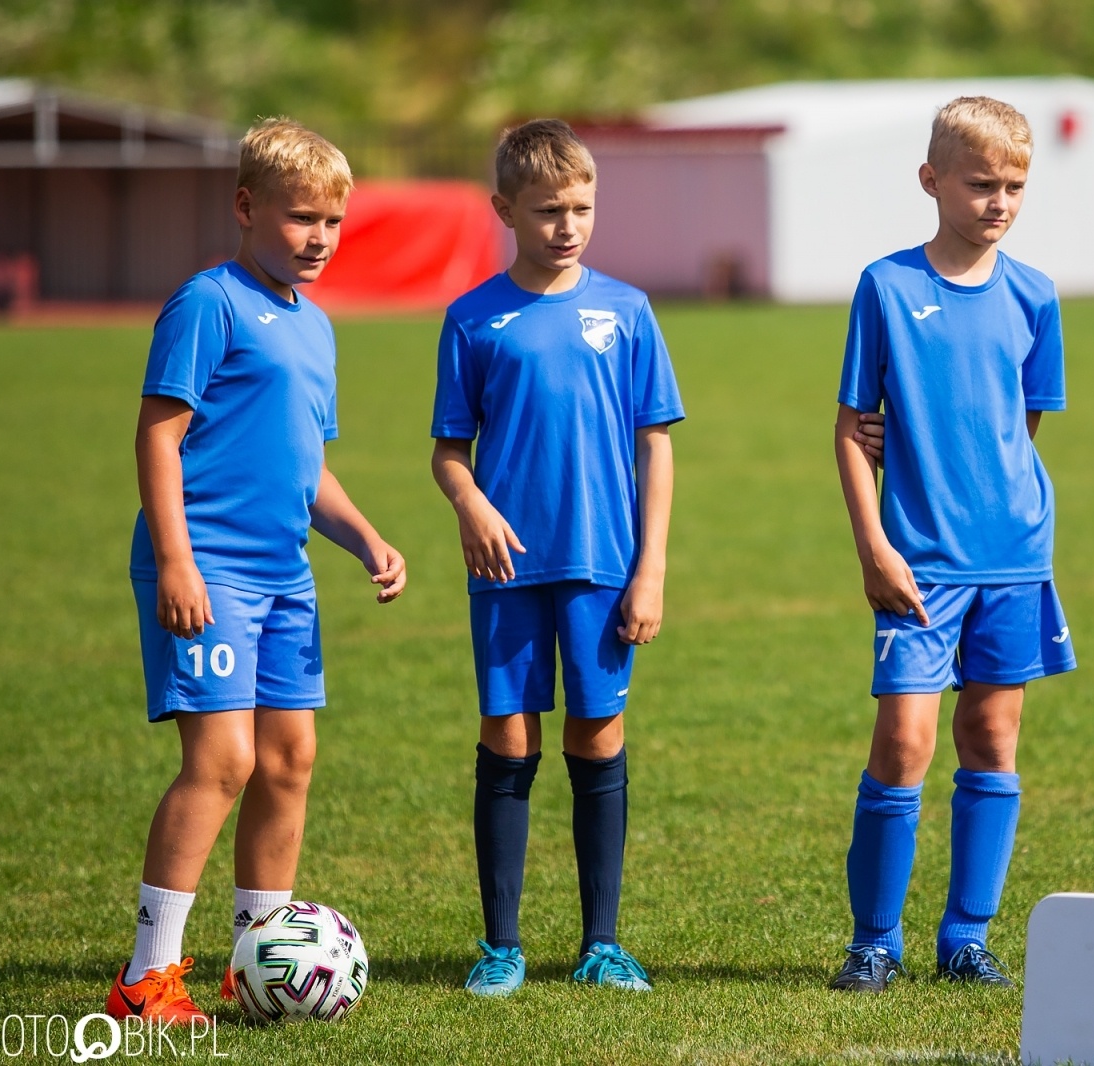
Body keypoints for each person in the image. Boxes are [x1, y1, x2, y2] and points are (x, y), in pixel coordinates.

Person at [108, 118, 407, 1023]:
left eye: (333, 223)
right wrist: (175, 561)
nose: (318, 239)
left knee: (289, 760)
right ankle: (146, 979)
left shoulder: (315, 328)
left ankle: (257, 961)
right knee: (224, 760)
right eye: (299, 218)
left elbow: (307, 464)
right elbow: (159, 435)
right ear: (246, 206)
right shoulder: (210, 303)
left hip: (286, 577)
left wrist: (365, 537)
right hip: (210, 570)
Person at [431, 119, 684, 996]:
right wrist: (469, 504)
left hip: (603, 564)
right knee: (507, 737)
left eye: (580, 207)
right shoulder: (472, 318)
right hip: (505, 571)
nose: (566, 226)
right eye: (545, 210)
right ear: (505, 209)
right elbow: (448, 451)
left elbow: (656, 446)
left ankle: (601, 943)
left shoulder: (626, 310)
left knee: (598, 734)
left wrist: (650, 568)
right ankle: (501, 946)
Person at [829, 96, 1075, 992]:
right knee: (903, 741)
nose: (999, 202)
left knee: (994, 733)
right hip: (918, 561)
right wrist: (875, 548)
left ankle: (965, 938)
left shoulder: (1036, 294)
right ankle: (874, 941)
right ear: (931, 181)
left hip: (1012, 557)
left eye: (1014, 186)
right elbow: (853, 431)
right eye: (980, 185)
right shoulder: (887, 287)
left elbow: (1023, 423)